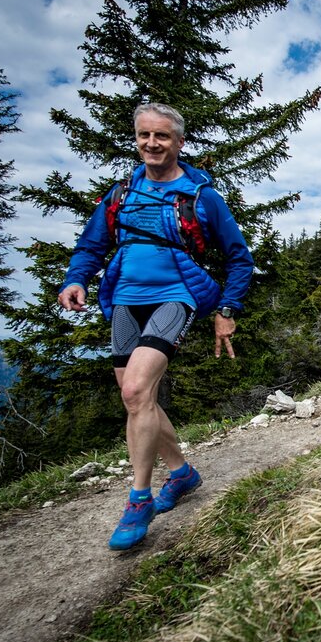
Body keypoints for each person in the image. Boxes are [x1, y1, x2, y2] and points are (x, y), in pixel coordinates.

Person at [58, 102, 254, 551]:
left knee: (134, 392)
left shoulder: (202, 196)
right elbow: (92, 244)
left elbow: (239, 259)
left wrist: (227, 310)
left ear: (179, 143)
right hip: (124, 298)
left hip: (177, 295)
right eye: (144, 135)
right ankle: (183, 473)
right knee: (137, 397)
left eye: (161, 136)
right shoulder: (121, 193)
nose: (151, 143)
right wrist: (75, 280)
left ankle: (138, 498)